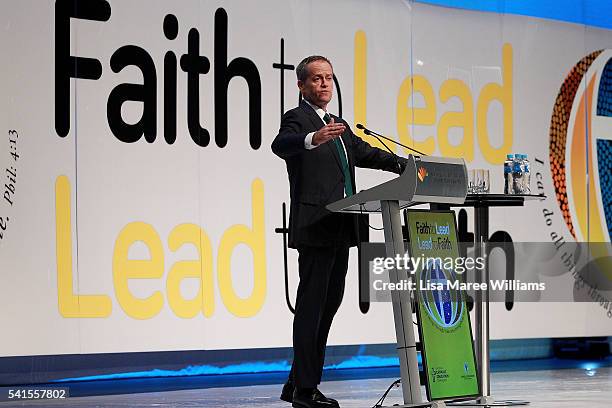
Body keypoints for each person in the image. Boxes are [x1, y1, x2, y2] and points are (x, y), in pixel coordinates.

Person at [271, 55, 407, 408]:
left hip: (341, 227)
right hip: (316, 226)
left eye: (329, 78)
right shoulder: (297, 119)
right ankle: (305, 390)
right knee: (311, 309)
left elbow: (364, 153)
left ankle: (296, 383)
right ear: (301, 85)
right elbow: (280, 145)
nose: (324, 84)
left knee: (327, 307)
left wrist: (402, 165)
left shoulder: (338, 123)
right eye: (316, 79)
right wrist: (313, 138)